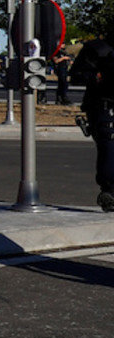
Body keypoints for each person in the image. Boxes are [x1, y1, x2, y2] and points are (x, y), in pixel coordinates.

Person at [70, 36, 114, 212]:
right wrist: (98, 76)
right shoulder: (98, 48)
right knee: (109, 146)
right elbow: (76, 75)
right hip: (104, 105)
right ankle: (109, 191)